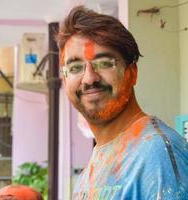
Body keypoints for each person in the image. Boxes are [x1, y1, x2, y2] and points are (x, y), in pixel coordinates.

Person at [56, 6, 188, 200]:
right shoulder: (91, 168)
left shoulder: (156, 154)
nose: (89, 78)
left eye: (105, 63)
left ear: (132, 73)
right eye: (75, 67)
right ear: (65, 79)